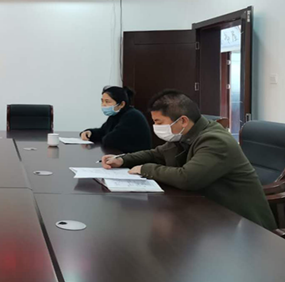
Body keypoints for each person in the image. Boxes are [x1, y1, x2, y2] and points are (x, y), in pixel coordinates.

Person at [101, 89, 276, 230]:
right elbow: (156, 154)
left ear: (182, 121)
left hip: (244, 225)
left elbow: (187, 178)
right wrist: (122, 160)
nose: (156, 127)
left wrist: (145, 169)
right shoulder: (184, 134)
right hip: (211, 214)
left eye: (159, 122)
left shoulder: (215, 140)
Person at [80, 86, 152, 153]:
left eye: (107, 101)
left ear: (121, 104)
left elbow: (110, 140)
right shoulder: (115, 115)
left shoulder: (132, 116)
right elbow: (102, 132)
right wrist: (90, 133)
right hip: (122, 155)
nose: (103, 104)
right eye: (102, 101)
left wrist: (102, 137)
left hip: (137, 158)